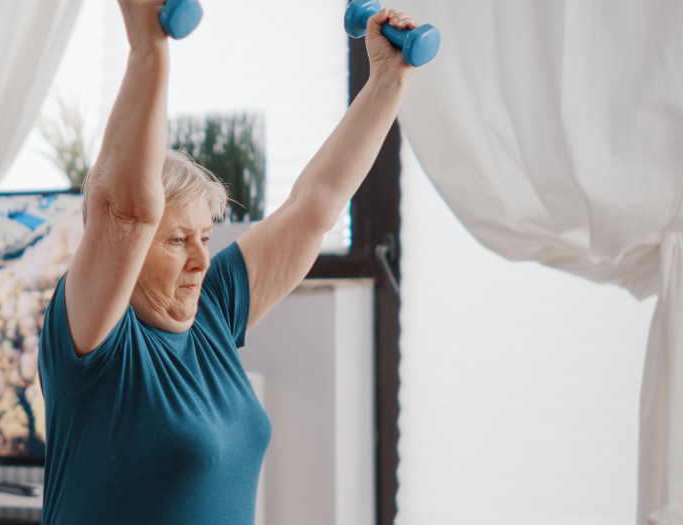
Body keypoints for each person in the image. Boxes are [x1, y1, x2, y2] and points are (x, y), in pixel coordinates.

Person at [38, 1, 420, 523]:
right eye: (176, 241)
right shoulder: (95, 347)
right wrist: (149, 49)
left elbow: (315, 206)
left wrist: (387, 80)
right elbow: (125, 210)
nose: (200, 260)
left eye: (205, 237)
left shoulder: (212, 311)